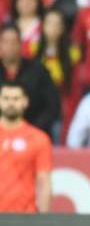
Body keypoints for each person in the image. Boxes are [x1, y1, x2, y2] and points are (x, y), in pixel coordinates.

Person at [0, 24, 60, 138]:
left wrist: (30, 131)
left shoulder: (38, 70)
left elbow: (52, 106)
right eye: (5, 42)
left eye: (14, 42)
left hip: (35, 133)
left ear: (20, 44)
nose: (10, 46)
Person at [0, 82, 52, 213]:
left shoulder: (38, 138)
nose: (10, 103)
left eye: (16, 99)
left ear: (25, 102)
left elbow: (43, 180)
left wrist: (43, 220)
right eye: (6, 98)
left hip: (25, 216)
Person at [36, 8, 81, 143]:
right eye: (49, 23)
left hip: (61, 110)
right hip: (39, 108)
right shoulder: (32, 50)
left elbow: (74, 86)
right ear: (42, 26)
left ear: (63, 28)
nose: (53, 28)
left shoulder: (73, 54)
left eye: (57, 24)